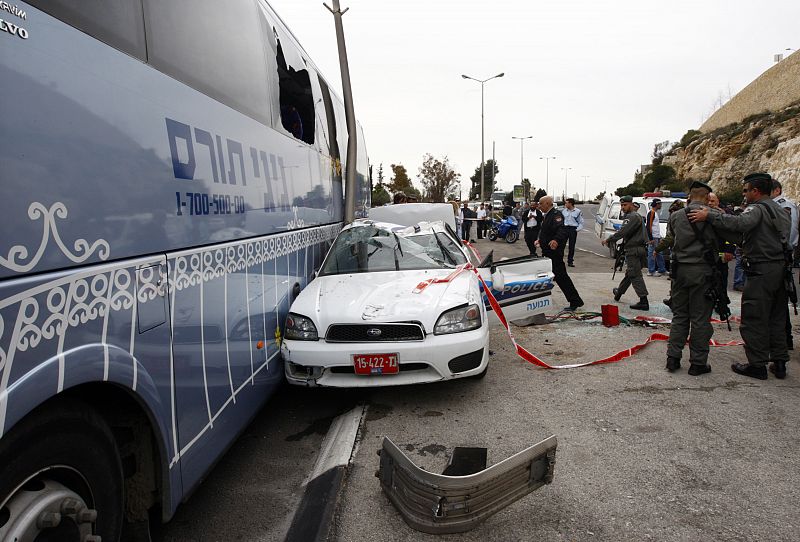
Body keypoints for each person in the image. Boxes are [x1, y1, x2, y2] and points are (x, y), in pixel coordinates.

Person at [689, 172, 791, 380]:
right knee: (777, 316)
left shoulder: (757, 208)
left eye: (746, 190)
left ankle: (757, 365)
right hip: (780, 269)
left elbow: (739, 225)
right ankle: (779, 363)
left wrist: (710, 215)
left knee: (754, 317)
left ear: (756, 191)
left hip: (761, 269)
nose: (744, 195)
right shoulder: (780, 209)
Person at [664, 181, 721, 376]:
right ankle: (698, 363)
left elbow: (671, 238)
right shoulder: (713, 217)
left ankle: (673, 357)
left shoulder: (676, 216)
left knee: (680, 315)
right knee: (700, 319)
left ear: (690, 196)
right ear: (706, 197)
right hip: (702, 272)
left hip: (679, 271)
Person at [536, 196, 584, 311]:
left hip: (554, 253)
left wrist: (556, 240)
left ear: (547, 203)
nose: (539, 206)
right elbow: (547, 232)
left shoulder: (556, 215)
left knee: (561, 277)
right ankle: (541, 302)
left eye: (541, 204)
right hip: (547, 252)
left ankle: (575, 301)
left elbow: (562, 230)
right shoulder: (548, 215)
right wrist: (540, 240)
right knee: (553, 277)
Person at [602, 195, 649, 310]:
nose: (622, 207)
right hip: (639, 249)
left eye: (625, 205)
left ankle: (643, 300)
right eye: (621, 205)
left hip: (634, 249)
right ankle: (619, 293)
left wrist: (609, 239)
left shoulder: (631, 217)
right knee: (630, 273)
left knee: (635, 274)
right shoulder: (636, 216)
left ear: (631, 204)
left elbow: (622, 232)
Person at [771, 179, 798, 350]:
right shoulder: (793, 205)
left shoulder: (775, 206)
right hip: (788, 254)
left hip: (775, 256)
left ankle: (779, 342)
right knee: (782, 300)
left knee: (774, 303)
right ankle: (786, 339)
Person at [646, 199, 667, 276]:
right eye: (660, 204)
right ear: (656, 204)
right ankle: (651, 271)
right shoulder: (651, 213)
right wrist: (650, 238)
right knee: (652, 254)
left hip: (657, 236)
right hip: (653, 237)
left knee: (659, 253)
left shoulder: (655, 213)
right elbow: (648, 226)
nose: (661, 205)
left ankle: (662, 269)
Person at [561, 198, 584, 267]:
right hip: (564, 229)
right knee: (562, 245)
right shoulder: (564, 211)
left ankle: (570, 261)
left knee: (571, 246)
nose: (565, 204)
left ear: (570, 203)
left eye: (566, 203)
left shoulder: (578, 211)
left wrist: (576, 230)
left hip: (572, 229)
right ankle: (560, 260)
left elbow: (581, 222)